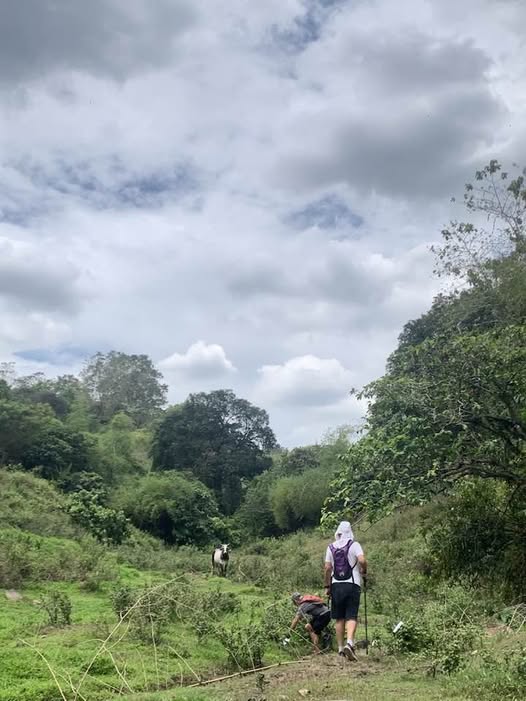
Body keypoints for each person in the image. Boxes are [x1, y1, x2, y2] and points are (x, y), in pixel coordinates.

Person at [324, 520, 367, 661]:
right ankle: (349, 643)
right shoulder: (354, 545)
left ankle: (340, 649)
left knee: (339, 618)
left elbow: (327, 568)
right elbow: (362, 560)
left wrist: (327, 586)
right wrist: (364, 571)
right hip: (352, 584)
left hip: (336, 585)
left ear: (338, 533)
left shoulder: (331, 547)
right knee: (351, 616)